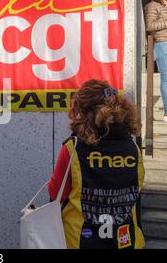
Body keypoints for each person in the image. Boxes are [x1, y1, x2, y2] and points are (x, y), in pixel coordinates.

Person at [48, 79, 145, 249]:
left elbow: (55, 195)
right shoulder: (133, 148)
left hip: (79, 240)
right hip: (126, 241)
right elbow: (137, 191)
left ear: (85, 113)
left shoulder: (73, 147)